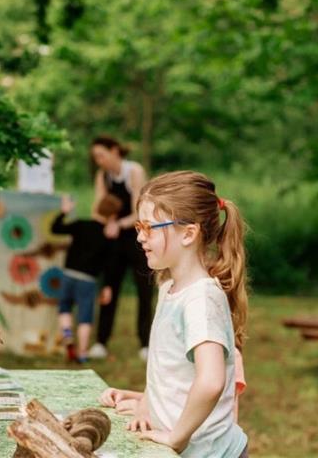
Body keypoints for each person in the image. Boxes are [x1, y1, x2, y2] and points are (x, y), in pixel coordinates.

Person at [98, 170, 250, 457]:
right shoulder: (169, 287)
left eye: (150, 228)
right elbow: (171, 367)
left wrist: (176, 438)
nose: (140, 237)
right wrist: (146, 402)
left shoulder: (200, 300)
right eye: (139, 226)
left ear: (189, 233)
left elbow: (210, 381)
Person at [88, 135, 152, 361]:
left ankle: (146, 343)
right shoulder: (102, 176)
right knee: (108, 290)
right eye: (95, 157)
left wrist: (118, 223)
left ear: (115, 151)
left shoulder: (134, 171)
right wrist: (108, 222)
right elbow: (97, 210)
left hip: (137, 238)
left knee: (144, 291)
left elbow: (141, 210)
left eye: (101, 155)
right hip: (113, 241)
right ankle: (101, 342)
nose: (99, 161)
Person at [50, 193, 123, 363]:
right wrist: (107, 286)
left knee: (65, 307)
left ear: (96, 208)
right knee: (85, 316)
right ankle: (82, 353)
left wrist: (64, 212)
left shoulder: (80, 224)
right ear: (112, 216)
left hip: (68, 274)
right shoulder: (108, 236)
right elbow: (110, 265)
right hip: (88, 280)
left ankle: (68, 336)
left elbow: (55, 228)